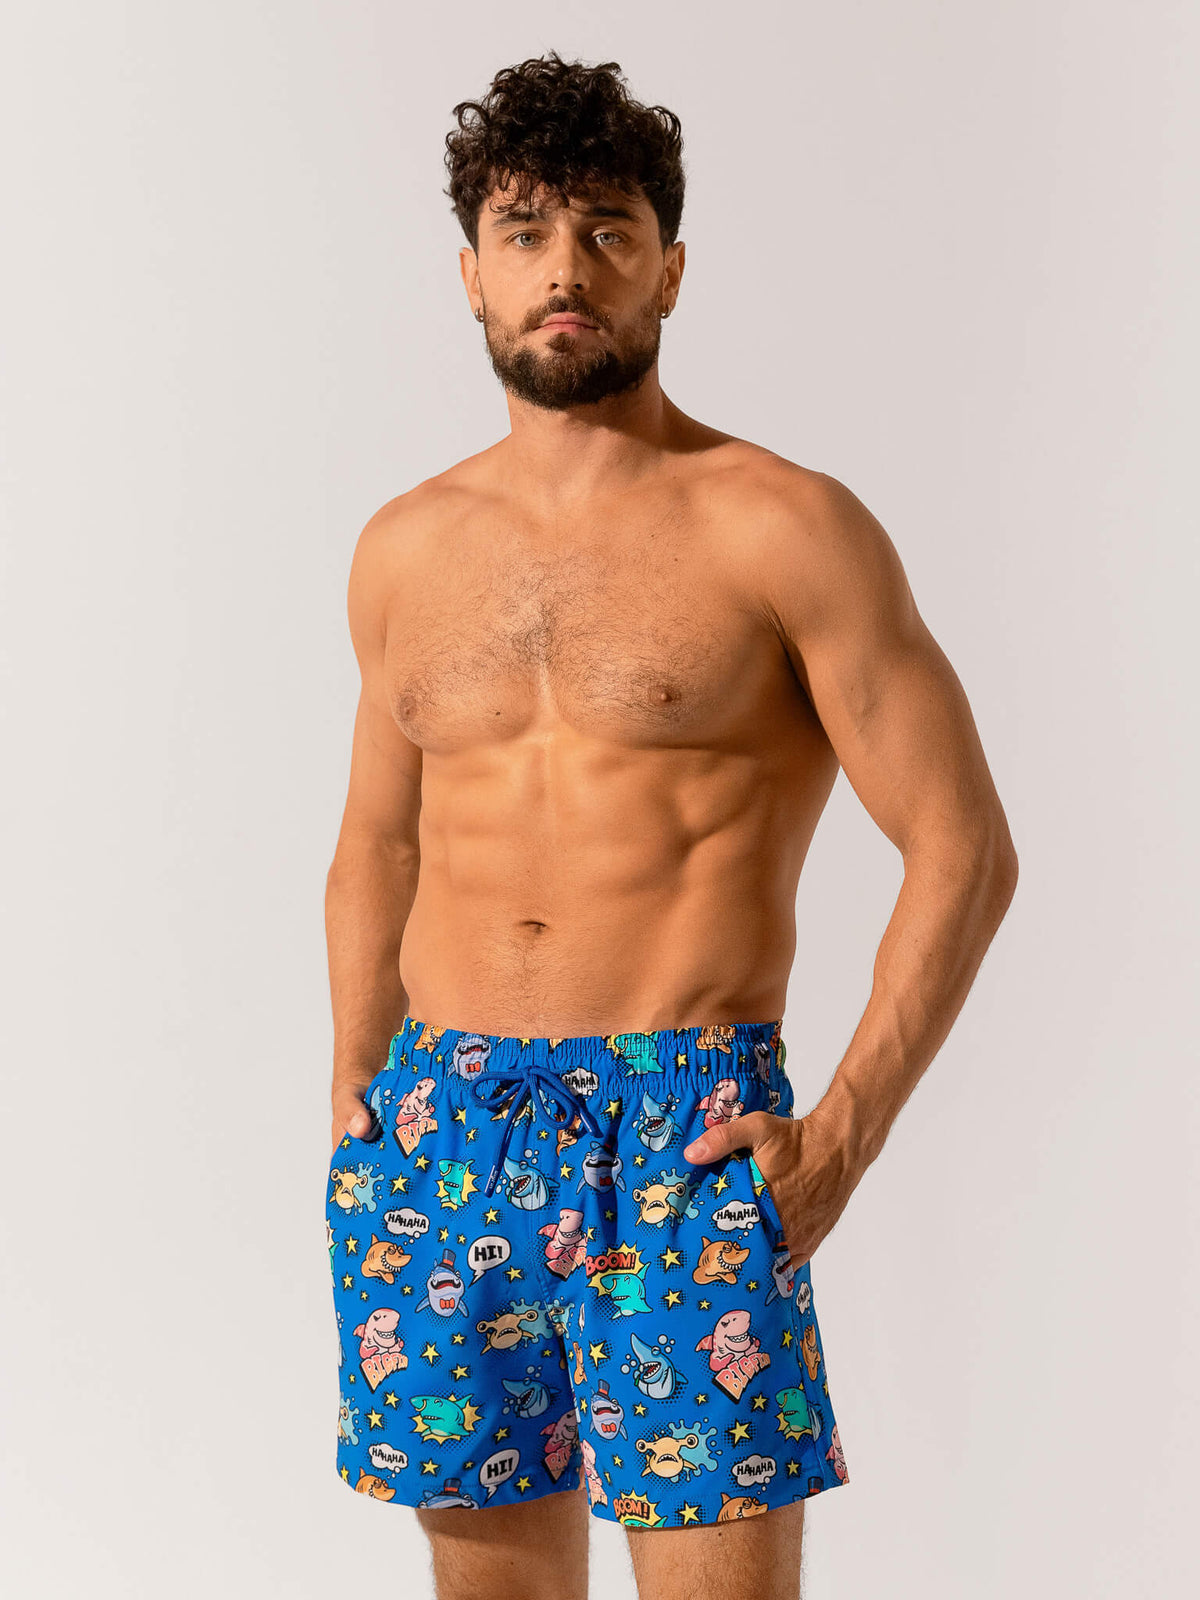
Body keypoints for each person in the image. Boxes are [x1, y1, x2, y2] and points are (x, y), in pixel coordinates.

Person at [323, 49, 1018, 1600]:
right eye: (524, 232)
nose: (565, 270)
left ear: (671, 269)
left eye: (608, 230)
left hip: (682, 1132)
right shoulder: (402, 549)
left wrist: (841, 1136)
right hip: (444, 1127)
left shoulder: (785, 526)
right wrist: (358, 1084)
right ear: (471, 274)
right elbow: (379, 839)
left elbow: (964, 845)